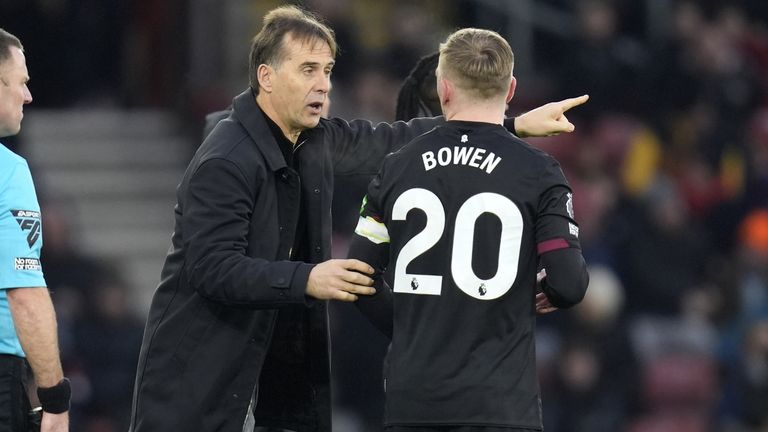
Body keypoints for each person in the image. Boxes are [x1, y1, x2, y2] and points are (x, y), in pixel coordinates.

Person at [129, 6, 588, 432]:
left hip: (265, 371)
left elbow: (394, 140)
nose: (324, 85)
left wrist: (506, 126)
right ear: (265, 77)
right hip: (196, 375)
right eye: (308, 70)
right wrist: (307, 279)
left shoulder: (310, 138)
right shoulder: (226, 159)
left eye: (327, 71)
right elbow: (212, 268)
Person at [348, 28, 589, 431]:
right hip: (499, 405)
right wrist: (545, 291)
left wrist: (412, 325)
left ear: (444, 88)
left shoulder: (396, 166)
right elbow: (569, 283)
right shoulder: (539, 172)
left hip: (414, 403)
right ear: (510, 90)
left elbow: (358, 275)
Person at [0, 28, 70, 432]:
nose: (28, 96)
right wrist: (54, 400)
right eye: (22, 82)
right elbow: (24, 295)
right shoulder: (8, 172)